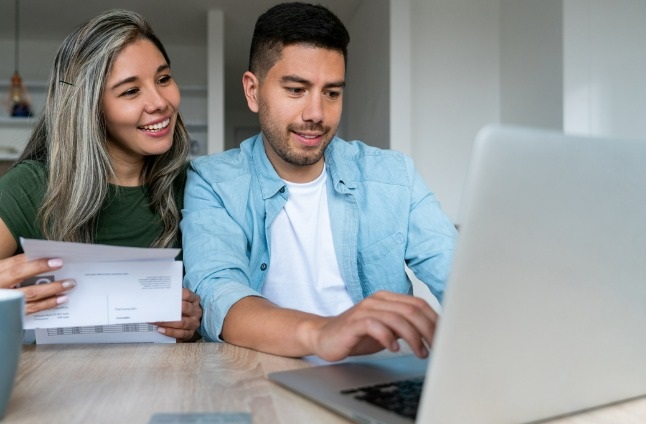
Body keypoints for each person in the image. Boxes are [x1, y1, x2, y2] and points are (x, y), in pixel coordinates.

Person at [0, 9, 202, 344]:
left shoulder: (196, 186)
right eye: (130, 91)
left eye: (163, 79)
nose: (160, 102)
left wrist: (197, 320)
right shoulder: (28, 190)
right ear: (87, 108)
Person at [181, 2, 457, 361]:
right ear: (253, 91)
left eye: (332, 93)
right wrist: (323, 332)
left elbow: (461, 278)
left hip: (381, 376)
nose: (316, 114)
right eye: (296, 90)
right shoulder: (213, 181)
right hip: (266, 377)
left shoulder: (393, 176)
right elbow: (219, 294)